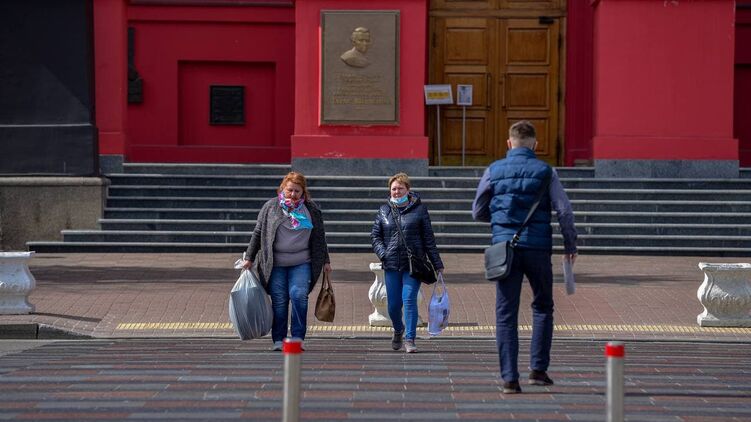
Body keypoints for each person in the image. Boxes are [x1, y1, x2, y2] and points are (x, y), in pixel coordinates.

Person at [472, 120, 578, 394]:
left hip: (504, 248)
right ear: (535, 145)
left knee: (506, 312)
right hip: (538, 249)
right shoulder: (546, 171)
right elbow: (564, 210)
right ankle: (538, 370)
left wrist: (500, 222)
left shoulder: (493, 170)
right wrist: (570, 244)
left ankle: (510, 378)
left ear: (509, 143)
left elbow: (477, 210)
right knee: (542, 306)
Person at [242, 172, 332, 351]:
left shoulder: (311, 209)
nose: (293, 194)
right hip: (276, 264)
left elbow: (319, 237)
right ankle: (279, 339)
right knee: (280, 300)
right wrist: (249, 258)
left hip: (302, 262)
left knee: (299, 296)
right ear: (282, 189)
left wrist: (326, 261)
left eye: (297, 191)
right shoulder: (270, 207)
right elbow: (258, 232)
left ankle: (297, 338)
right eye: (290, 190)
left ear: (303, 192)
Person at [371, 173, 444, 353]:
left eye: (400, 188)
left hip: (413, 264)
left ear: (408, 190)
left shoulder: (420, 210)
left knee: (409, 299)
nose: (397, 192)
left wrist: (437, 263)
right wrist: (383, 254)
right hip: (391, 264)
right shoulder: (384, 210)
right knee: (393, 305)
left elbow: (428, 239)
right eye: (394, 189)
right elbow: (375, 236)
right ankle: (398, 329)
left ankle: (410, 339)